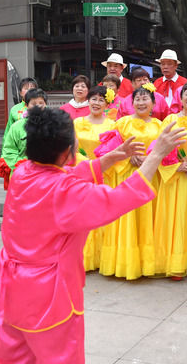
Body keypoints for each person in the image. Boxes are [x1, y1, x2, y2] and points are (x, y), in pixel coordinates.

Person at [0, 106, 185, 364]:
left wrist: (110, 158)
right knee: (60, 358)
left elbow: (62, 175)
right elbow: (121, 197)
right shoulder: (66, 193)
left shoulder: (23, 172)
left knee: (11, 357)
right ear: (68, 152)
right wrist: (157, 153)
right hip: (47, 296)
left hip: (9, 287)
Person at [99, 86, 163, 280]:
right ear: (132, 103)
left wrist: (150, 159)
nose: (141, 103)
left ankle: (148, 263)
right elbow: (110, 149)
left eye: (145, 99)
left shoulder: (159, 125)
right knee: (127, 216)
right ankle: (126, 263)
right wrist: (128, 157)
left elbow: (165, 151)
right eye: (138, 99)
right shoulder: (121, 123)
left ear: (153, 103)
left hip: (151, 176)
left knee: (148, 217)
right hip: (126, 175)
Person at [154, 82, 187, 279]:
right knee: (174, 217)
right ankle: (174, 262)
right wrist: (176, 166)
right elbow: (159, 147)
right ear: (181, 97)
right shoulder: (170, 119)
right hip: (175, 175)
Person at [73, 86, 117, 272]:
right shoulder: (77, 122)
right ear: (88, 101)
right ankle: (82, 258)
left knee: (102, 216)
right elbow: (71, 148)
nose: (97, 103)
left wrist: (100, 165)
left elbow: (114, 151)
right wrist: (87, 164)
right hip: (82, 174)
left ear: (107, 104)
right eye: (93, 99)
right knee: (82, 216)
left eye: (101, 100)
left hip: (104, 174)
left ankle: (102, 258)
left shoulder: (112, 125)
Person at [0, 89, 48, 171]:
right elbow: (9, 151)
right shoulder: (16, 127)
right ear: (27, 105)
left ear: (46, 105)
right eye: (33, 104)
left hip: (47, 172)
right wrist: (23, 166)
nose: (38, 106)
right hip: (22, 172)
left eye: (41, 103)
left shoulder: (53, 124)